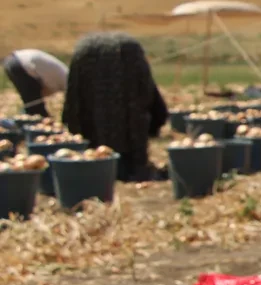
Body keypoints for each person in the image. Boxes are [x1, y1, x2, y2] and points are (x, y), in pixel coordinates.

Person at [61, 32, 168, 182]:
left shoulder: (85, 49)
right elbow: (147, 92)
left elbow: (73, 101)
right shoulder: (129, 50)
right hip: (130, 151)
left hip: (91, 147)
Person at [3, 48, 68, 118]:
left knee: (31, 104)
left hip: (12, 60)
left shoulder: (65, 75)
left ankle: (25, 119)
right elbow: (46, 89)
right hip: (22, 64)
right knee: (35, 108)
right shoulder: (66, 81)